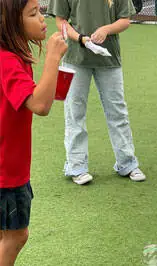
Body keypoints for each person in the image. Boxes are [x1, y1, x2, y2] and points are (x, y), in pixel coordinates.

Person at [0, 0, 68, 263]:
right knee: (16, 236)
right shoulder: (7, 60)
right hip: (7, 171)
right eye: (33, 13)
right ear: (11, 23)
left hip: (10, 164)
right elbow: (40, 105)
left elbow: (35, 97)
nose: (42, 18)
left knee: (6, 234)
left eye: (40, 10)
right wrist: (53, 57)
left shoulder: (12, 56)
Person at [50, 0, 145, 185]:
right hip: (75, 59)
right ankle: (76, 166)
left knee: (117, 111)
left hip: (109, 60)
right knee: (74, 112)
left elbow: (125, 20)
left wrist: (106, 29)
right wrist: (80, 38)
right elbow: (61, 21)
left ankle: (127, 163)